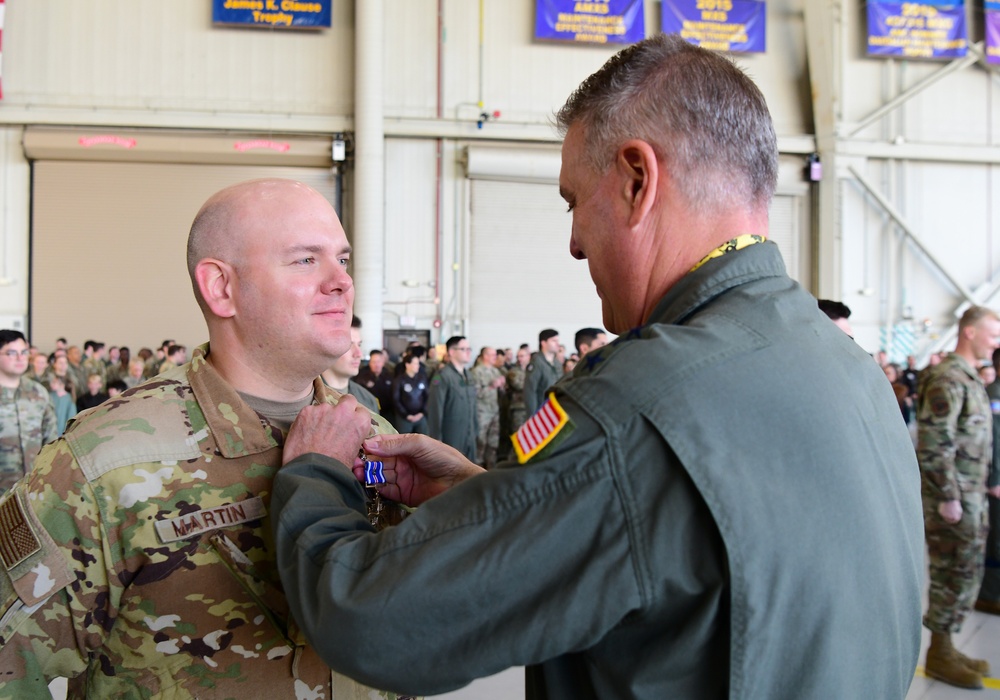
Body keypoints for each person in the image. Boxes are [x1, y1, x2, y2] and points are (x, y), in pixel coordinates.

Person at [269, 34, 923, 699]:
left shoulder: (634, 407)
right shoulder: (844, 365)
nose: (575, 241)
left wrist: (314, 477)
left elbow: (371, 621)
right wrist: (501, 500)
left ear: (638, 180)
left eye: (574, 199)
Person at [0, 179, 402, 698]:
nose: (342, 282)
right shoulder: (103, 465)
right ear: (221, 287)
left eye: (343, 260)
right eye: (306, 260)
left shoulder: (376, 438)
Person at [917, 305, 1000, 689]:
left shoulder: (968, 378)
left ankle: (946, 645)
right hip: (952, 501)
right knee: (951, 575)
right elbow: (935, 443)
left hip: (970, 496)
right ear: (969, 332)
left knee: (966, 573)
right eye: (993, 335)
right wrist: (949, 496)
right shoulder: (949, 378)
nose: (996, 343)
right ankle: (940, 652)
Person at [0, 329, 58, 494]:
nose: (20, 358)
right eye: (11, 353)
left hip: (33, 491)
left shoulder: (38, 392)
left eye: (23, 352)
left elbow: (51, 441)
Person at [425, 335, 477, 461]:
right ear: (452, 352)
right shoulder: (443, 376)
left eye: (469, 349)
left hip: (469, 434)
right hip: (452, 435)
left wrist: (475, 430)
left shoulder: (468, 375)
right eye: (464, 349)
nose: (468, 352)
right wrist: (436, 438)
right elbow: (435, 408)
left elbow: (473, 405)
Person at [977, 348, 1000, 617]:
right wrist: (994, 478)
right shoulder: (995, 394)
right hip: (996, 479)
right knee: (996, 539)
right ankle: (990, 595)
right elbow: (994, 437)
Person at [321, 316, 381, 413]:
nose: (358, 354)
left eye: (359, 345)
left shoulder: (368, 401)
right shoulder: (304, 400)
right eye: (348, 344)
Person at [469, 346, 505, 469]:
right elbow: (475, 393)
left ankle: (491, 468)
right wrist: (492, 386)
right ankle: (476, 468)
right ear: (485, 356)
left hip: (494, 410)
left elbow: (502, 394)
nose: (496, 357)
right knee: (480, 441)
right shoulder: (476, 372)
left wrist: (501, 386)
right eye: (493, 354)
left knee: (493, 442)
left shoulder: (496, 371)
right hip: (482, 412)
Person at [523, 328, 561, 417]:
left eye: (558, 341)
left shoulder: (557, 363)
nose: (557, 344)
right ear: (543, 343)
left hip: (556, 410)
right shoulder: (536, 363)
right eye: (554, 341)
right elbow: (530, 392)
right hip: (541, 411)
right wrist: (532, 416)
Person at [391, 352, 429, 434]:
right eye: (415, 363)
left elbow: (427, 396)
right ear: (407, 365)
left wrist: (422, 412)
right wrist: (406, 415)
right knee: (404, 442)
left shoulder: (422, 378)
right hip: (404, 417)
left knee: (425, 441)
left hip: (420, 416)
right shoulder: (399, 380)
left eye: (418, 363)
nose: (418, 366)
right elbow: (396, 399)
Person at [357, 349, 395, 423]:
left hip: (388, 413)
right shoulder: (362, 375)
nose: (376, 365)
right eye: (374, 362)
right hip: (369, 413)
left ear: (383, 363)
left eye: (378, 362)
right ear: (370, 363)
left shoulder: (389, 375)